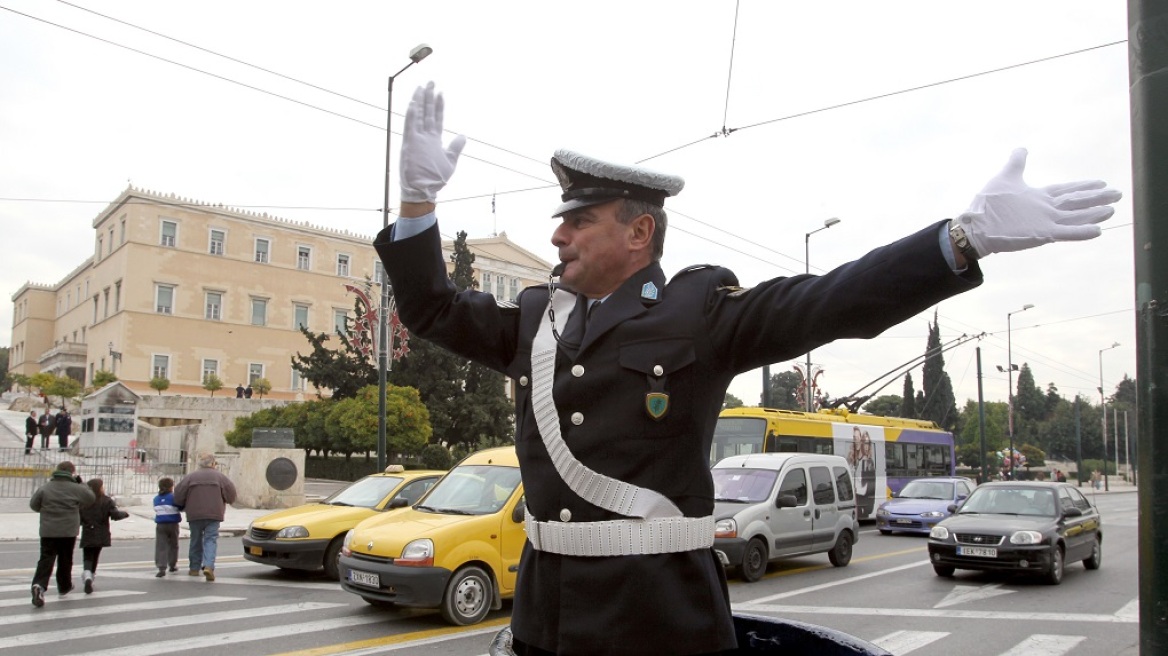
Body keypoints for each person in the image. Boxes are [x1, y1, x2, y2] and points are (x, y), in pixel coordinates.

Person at [375, 82, 1121, 655]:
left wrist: (963, 240)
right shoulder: (536, 319)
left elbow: (830, 302)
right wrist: (417, 203)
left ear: (639, 233)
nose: (558, 232)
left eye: (580, 218)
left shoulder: (698, 311)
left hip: (660, 627)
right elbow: (432, 308)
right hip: (545, 621)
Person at [28, 461, 95, 607]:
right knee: (65, 559)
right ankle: (64, 586)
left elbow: (34, 505)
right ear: (72, 472)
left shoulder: (45, 488)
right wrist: (81, 483)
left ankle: (39, 585)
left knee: (46, 559)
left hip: (48, 530)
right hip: (68, 531)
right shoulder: (76, 488)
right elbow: (90, 498)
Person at [173, 452, 237, 582]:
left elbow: (178, 494)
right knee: (210, 540)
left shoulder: (190, 477)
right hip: (214, 514)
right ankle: (208, 566)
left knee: (195, 540)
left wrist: (180, 505)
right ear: (213, 464)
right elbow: (231, 494)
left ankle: (194, 568)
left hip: (194, 514)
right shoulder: (220, 477)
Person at [78, 478, 129, 593]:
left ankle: (87, 575)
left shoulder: (84, 501)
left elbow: (79, 517)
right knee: (95, 555)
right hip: (101, 532)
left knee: (87, 556)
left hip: (88, 531)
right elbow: (115, 515)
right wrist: (125, 514)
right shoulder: (106, 500)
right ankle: (91, 576)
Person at [153, 477, 182, 577]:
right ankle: (172, 564)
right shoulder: (173, 497)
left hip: (160, 524)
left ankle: (161, 567)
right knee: (173, 544)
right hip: (173, 523)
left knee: (161, 545)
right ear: (171, 487)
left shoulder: (156, 499)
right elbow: (180, 506)